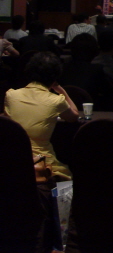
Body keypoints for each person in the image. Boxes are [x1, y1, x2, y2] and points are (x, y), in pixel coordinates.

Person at [4, 51, 79, 180]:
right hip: (42, 162)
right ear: (55, 77)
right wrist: (61, 91)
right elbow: (74, 116)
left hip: (12, 158)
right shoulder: (56, 100)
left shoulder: (11, 95)